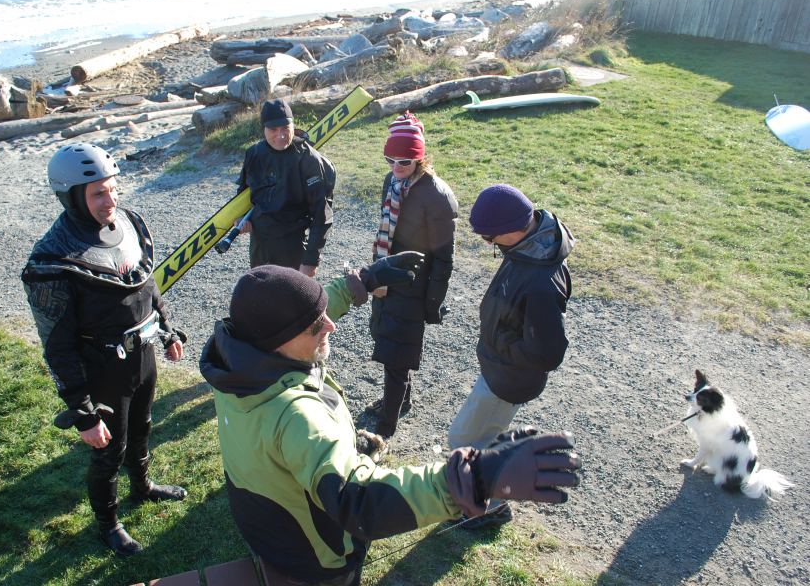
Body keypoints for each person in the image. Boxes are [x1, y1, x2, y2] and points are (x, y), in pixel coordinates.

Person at [199, 258, 580, 586]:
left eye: (325, 313)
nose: (330, 326)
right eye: (316, 327)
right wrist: (473, 477)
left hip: (268, 522)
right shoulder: (296, 416)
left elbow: (301, 314)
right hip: (316, 558)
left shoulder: (238, 361)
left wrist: (357, 284)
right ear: (278, 342)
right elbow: (360, 498)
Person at [22, 143, 188, 557]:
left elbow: (147, 283)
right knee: (108, 452)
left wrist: (167, 331)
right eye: (98, 193)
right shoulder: (53, 259)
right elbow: (57, 349)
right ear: (72, 196)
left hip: (142, 356)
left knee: (143, 428)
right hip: (101, 368)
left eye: (113, 189)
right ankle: (108, 524)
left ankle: (143, 485)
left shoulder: (129, 223)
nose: (110, 200)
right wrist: (83, 411)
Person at [447, 184, 575, 529]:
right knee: (486, 436)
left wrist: (501, 342)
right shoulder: (528, 248)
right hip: (501, 369)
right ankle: (486, 499)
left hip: (508, 377)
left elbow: (549, 352)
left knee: (462, 439)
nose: (489, 244)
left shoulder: (541, 280)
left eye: (490, 238)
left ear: (515, 228)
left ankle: (491, 508)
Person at [368, 111, 458, 439]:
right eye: (390, 159)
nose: (395, 167)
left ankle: (383, 431)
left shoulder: (437, 196)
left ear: (419, 159)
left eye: (403, 162)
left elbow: (444, 259)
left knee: (396, 357)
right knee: (388, 343)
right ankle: (400, 401)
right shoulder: (392, 182)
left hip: (413, 286)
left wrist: (432, 305)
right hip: (386, 277)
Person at [236, 98, 335, 277]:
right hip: (260, 244)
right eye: (273, 130)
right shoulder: (254, 154)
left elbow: (322, 215)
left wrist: (310, 261)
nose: (280, 135)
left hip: (293, 245)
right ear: (264, 129)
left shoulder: (308, 159)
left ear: (293, 126)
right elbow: (243, 192)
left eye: (285, 129)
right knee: (262, 297)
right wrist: (241, 217)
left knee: (292, 302)